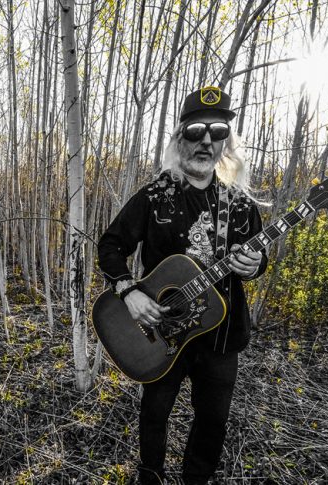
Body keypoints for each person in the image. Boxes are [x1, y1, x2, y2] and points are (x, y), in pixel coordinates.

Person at [97, 86, 268, 485]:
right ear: (180, 138)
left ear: (226, 141)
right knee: (154, 414)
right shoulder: (155, 195)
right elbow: (111, 246)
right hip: (161, 332)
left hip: (221, 335)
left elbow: (257, 264)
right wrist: (129, 291)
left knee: (213, 422)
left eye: (216, 131)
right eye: (195, 131)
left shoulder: (240, 204)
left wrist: (254, 265)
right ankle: (150, 476)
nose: (206, 141)